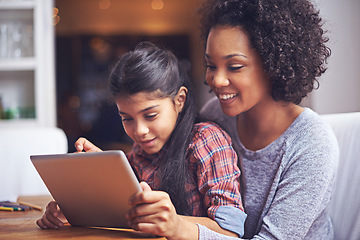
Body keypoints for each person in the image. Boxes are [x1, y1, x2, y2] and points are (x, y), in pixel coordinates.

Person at [36, 41, 247, 238]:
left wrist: (175, 225)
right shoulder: (139, 151)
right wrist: (74, 209)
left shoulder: (206, 141)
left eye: (151, 115)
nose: (140, 131)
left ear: (179, 100)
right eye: (127, 118)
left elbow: (230, 231)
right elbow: (125, 214)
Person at [195, 0, 339, 239]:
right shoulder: (214, 115)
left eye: (235, 66)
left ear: (274, 63)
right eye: (211, 65)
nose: (217, 80)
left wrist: (183, 230)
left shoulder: (313, 143)